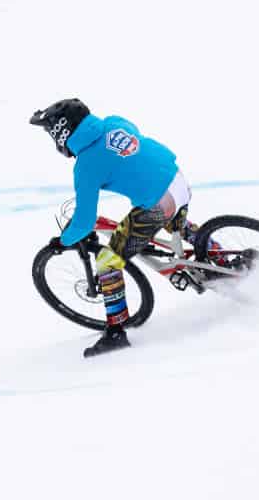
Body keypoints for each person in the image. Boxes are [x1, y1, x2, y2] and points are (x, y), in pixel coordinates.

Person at [30, 99, 193, 356]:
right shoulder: (114, 123)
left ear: (62, 134)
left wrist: (63, 241)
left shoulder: (85, 166)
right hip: (176, 179)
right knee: (175, 222)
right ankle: (212, 251)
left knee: (108, 260)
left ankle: (116, 332)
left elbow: (84, 220)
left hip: (157, 203)